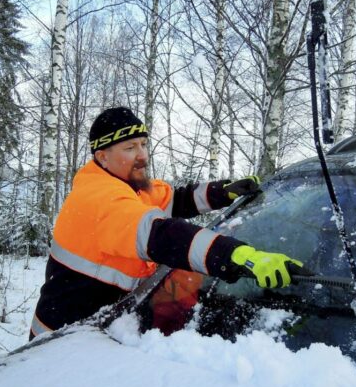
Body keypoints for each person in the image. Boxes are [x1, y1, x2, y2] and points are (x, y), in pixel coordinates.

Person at [29, 107, 303, 339]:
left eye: (144, 144)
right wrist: (236, 254)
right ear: (102, 156)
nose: (143, 155)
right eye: (130, 148)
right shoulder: (99, 198)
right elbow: (163, 236)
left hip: (102, 329)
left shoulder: (129, 185)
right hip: (61, 339)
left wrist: (223, 191)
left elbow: (175, 200)